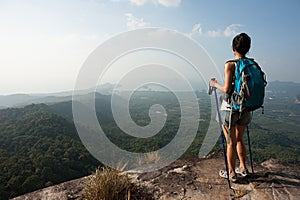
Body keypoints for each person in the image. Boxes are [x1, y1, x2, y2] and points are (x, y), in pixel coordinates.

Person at [210, 33, 252, 182]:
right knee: (240, 139)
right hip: (246, 108)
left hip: (230, 109)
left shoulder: (230, 65)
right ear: (248, 48)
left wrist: (214, 84)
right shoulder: (251, 65)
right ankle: (243, 168)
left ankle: (232, 173)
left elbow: (227, 89)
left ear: (233, 48)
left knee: (230, 142)